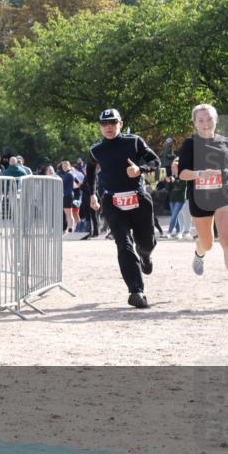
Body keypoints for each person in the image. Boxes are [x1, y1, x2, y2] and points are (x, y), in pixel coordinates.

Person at [85, 108, 160, 308]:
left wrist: (140, 169)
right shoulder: (96, 150)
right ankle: (136, 291)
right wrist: (92, 194)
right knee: (123, 244)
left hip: (138, 199)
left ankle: (145, 255)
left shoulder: (134, 142)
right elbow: (90, 171)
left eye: (113, 123)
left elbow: (155, 162)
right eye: (104, 124)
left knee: (146, 243)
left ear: (121, 123)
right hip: (112, 202)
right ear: (100, 126)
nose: (108, 127)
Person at [177, 104, 228, 302]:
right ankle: (199, 253)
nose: (206, 124)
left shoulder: (226, 142)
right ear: (195, 122)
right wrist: (200, 174)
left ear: (216, 120)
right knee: (207, 243)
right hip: (200, 198)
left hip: (224, 196)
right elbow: (182, 173)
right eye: (201, 120)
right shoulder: (190, 144)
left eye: (209, 119)